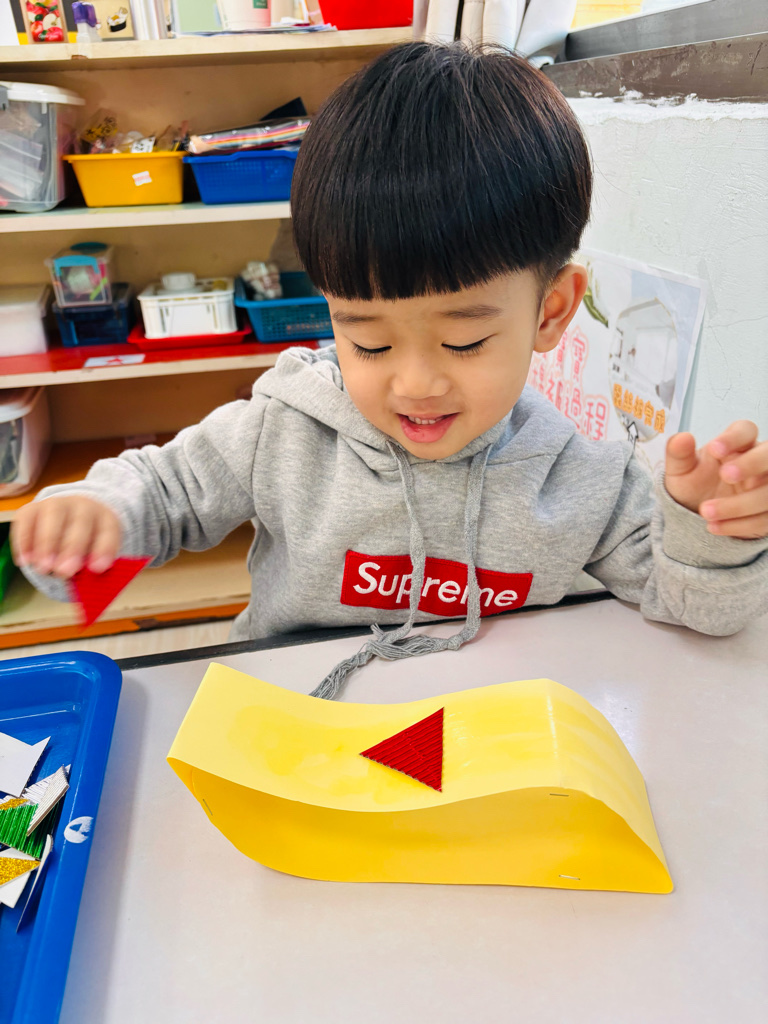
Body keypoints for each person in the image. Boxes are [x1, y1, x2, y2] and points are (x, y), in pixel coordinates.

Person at [12, 43, 768, 697]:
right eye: (368, 343)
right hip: (300, 718)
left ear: (551, 312)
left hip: (487, 741)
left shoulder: (582, 480)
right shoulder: (280, 432)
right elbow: (163, 492)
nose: (414, 385)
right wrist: (95, 516)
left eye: (464, 342)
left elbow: (700, 610)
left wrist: (711, 533)